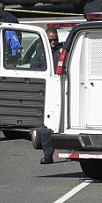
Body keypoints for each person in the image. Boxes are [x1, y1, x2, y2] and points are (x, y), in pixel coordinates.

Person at [40, 28, 61, 165]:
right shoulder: (40, 51)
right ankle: (48, 154)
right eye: (50, 40)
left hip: (60, 89)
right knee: (46, 125)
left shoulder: (62, 51)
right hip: (46, 90)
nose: (53, 43)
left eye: (55, 40)